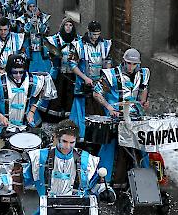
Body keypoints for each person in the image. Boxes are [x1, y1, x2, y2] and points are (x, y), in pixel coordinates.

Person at [92, 48, 150, 184]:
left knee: (140, 147)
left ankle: (141, 181)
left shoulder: (143, 74)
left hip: (135, 118)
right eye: (128, 63)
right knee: (112, 148)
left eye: (134, 64)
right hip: (117, 117)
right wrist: (109, 107)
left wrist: (143, 103)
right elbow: (96, 93)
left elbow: (143, 90)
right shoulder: (111, 75)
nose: (131, 67)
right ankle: (106, 180)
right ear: (124, 61)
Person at [0, 55, 54, 138]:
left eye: (21, 72)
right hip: (1, 124)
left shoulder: (32, 81)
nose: (18, 75)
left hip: (24, 123)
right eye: (15, 72)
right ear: (9, 70)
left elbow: (39, 95)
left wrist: (32, 112)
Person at [69, 21, 112, 140]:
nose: (95, 37)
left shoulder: (105, 44)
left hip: (100, 82)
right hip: (84, 83)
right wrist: (85, 78)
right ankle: (82, 135)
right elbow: (72, 65)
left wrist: (105, 76)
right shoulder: (78, 45)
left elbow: (108, 61)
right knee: (82, 109)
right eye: (93, 34)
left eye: (98, 34)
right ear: (88, 32)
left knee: (100, 106)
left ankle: (99, 135)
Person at [42, 17, 81, 119]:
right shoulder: (55, 39)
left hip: (72, 73)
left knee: (70, 95)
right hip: (59, 72)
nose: (68, 28)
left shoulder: (78, 40)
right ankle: (55, 116)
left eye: (70, 25)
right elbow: (49, 52)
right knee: (57, 95)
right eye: (66, 25)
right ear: (63, 26)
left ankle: (70, 116)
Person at [17, 0, 52, 73]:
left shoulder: (43, 17)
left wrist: (39, 25)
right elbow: (20, 34)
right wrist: (29, 25)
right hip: (29, 45)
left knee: (44, 67)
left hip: (41, 45)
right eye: (30, 6)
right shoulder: (23, 19)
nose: (32, 8)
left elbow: (47, 32)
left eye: (34, 6)